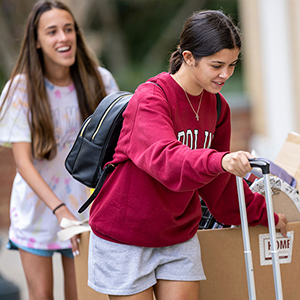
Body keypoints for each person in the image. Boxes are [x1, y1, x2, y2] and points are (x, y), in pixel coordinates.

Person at [87, 10, 288, 300]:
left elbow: (218, 185)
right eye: (217, 65)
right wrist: (219, 160)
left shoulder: (218, 108)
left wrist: (266, 215)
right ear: (189, 57)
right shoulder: (151, 98)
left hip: (177, 233)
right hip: (126, 234)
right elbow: (166, 161)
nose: (226, 74)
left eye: (232, 65)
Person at [0, 1, 119, 299]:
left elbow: (117, 149)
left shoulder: (100, 81)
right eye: (51, 31)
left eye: (68, 29)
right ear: (37, 41)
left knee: (79, 294)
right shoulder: (20, 89)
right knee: (41, 295)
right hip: (37, 211)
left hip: (84, 212)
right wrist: (59, 210)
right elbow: (23, 163)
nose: (63, 38)